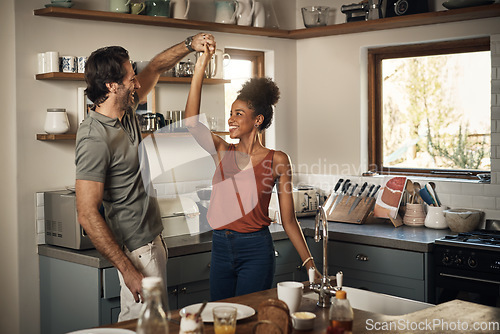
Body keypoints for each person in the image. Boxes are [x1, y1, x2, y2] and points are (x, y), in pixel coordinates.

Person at [75, 33, 215, 321]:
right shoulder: (94, 136)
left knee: (153, 323)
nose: (137, 83)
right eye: (130, 78)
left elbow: (155, 69)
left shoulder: (126, 111)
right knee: (145, 326)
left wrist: (190, 45)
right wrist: (128, 270)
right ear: (112, 86)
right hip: (137, 251)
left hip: (151, 240)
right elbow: (86, 213)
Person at [184, 45, 319, 301]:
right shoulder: (223, 151)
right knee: (220, 318)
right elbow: (191, 123)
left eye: (238, 114)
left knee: (251, 319)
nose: (231, 120)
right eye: (230, 113)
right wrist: (201, 64)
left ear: (257, 120)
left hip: (256, 249)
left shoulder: (277, 160)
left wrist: (310, 264)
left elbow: (289, 221)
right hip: (220, 247)